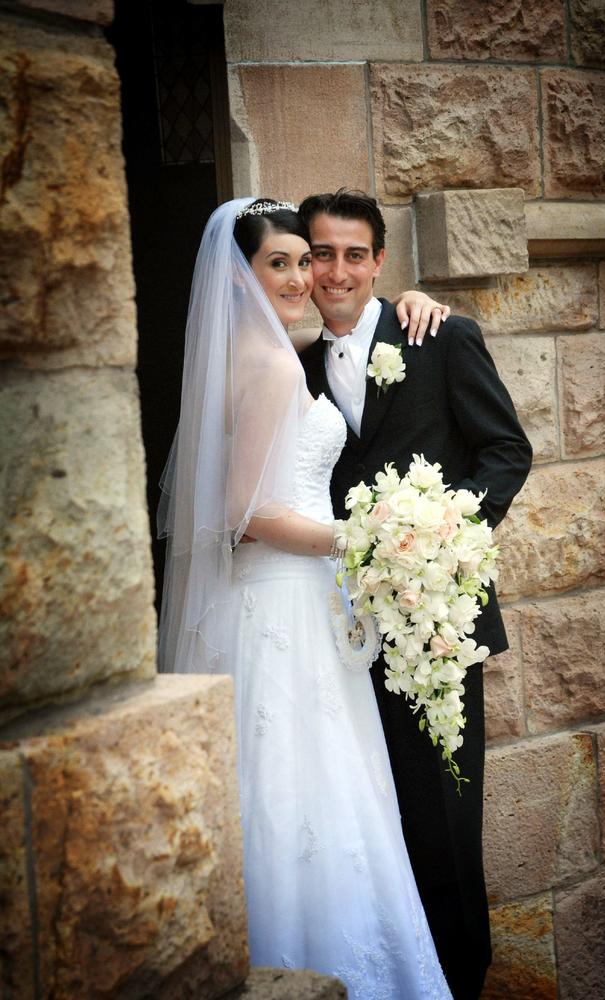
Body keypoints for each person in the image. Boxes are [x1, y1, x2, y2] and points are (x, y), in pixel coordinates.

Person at [158, 196, 453, 999]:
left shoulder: (281, 350)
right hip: (281, 603)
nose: (298, 278)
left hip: (299, 602)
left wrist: (417, 300)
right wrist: (362, 538)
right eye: (278, 263)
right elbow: (243, 516)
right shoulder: (266, 363)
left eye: (301, 260)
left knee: (323, 785)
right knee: (296, 784)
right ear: (241, 274)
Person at [298, 189, 533, 1000]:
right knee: (367, 816)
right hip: (333, 630)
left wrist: (447, 540)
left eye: (354, 254)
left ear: (379, 262)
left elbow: (505, 451)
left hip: (432, 622)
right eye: (321, 253)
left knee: (441, 820)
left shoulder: (436, 334)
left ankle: (461, 979)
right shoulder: (289, 365)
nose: (337, 271)